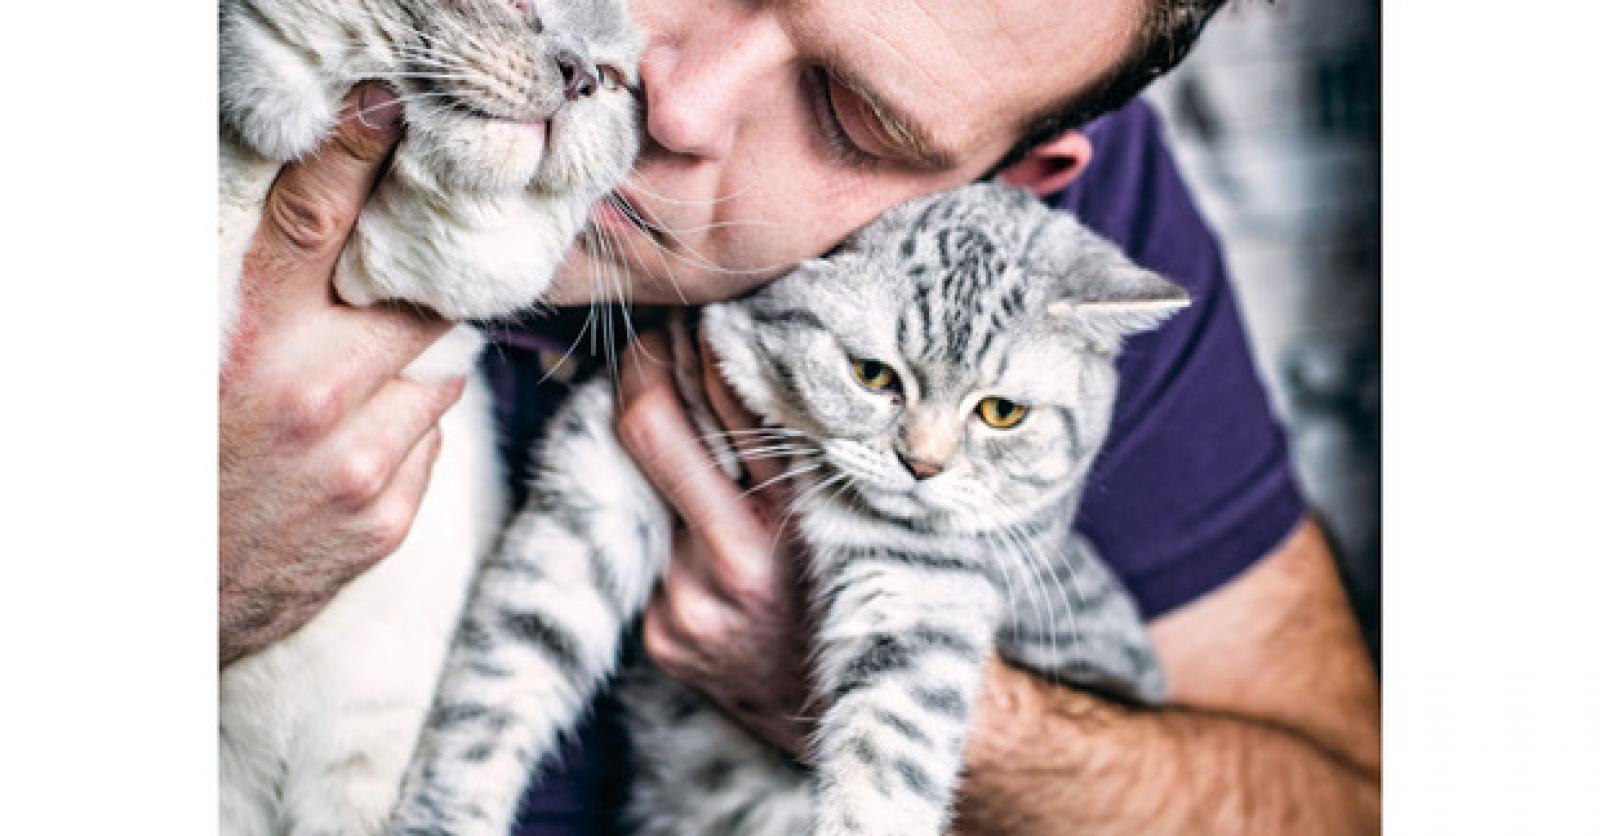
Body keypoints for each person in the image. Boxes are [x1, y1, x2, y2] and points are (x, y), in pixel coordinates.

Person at [219, 0, 1381, 833]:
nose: (670, 95)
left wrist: (883, 679)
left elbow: (1341, 800)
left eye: (846, 113)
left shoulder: (1048, 239)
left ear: (998, 185)